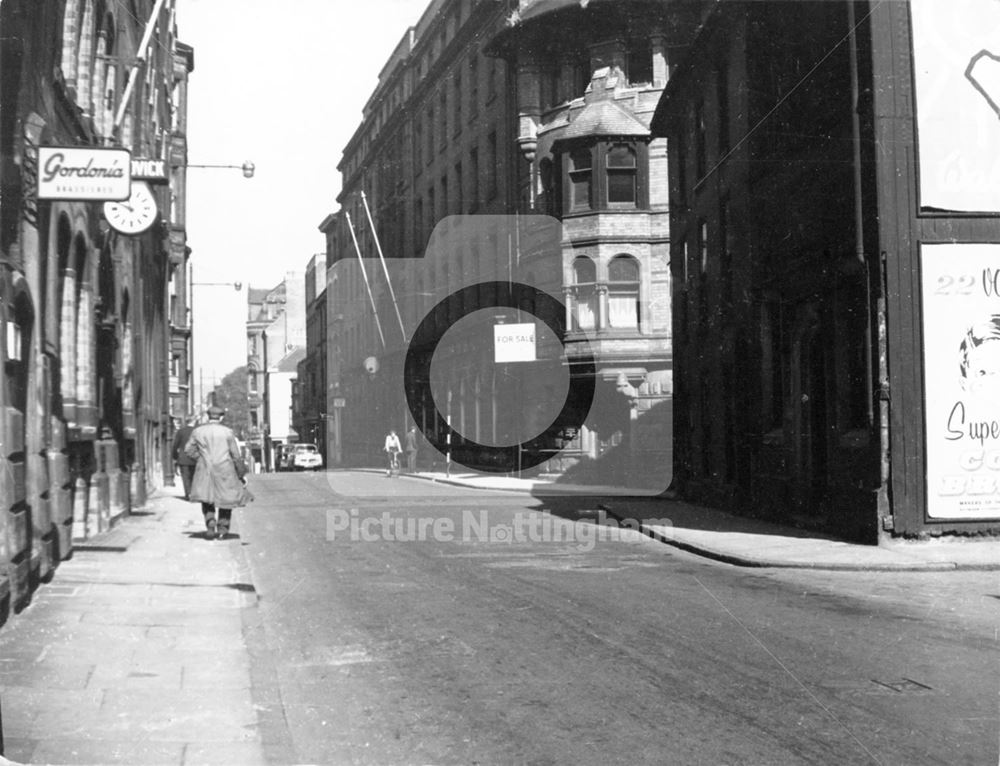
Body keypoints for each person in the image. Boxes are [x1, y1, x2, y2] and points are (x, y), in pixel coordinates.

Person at [184, 405, 251, 539]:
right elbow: (236, 455)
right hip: (225, 469)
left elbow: (188, 450)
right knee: (226, 499)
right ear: (221, 417)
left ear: (209, 417)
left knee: (207, 497)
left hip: (205, 468)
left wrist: (202, 459)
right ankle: (222, 529)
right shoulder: (227, 432)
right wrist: (241, 473)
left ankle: (210, 522)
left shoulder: (198, 431)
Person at [171, 414, 199, 501]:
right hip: (195, 458)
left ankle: (188, 493)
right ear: (194, 421)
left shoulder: (181, 431)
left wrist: (175, 457)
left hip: (183, 458)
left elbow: (175, 445)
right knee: (195, 476)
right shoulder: (197, 431)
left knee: (185, 477)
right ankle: (194, 493)